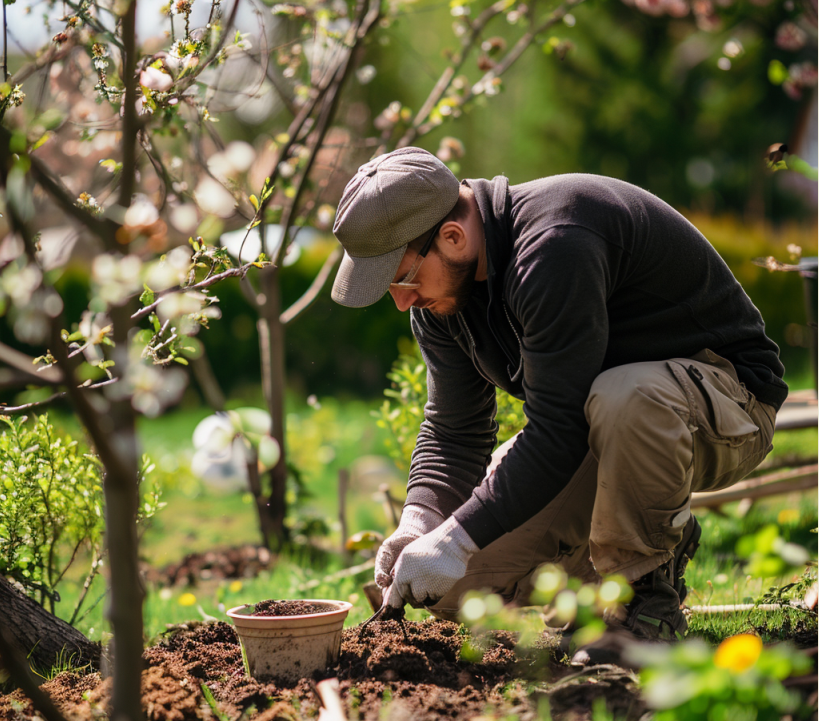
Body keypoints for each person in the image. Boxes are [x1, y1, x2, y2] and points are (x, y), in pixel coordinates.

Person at [330, 147, 786, 664]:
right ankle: (591, 596)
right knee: (459, 587)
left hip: (727, 407)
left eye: (402, 279)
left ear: (452, 238)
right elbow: (454, 430)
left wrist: (455, 538)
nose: (401, 301)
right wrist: (419, 523)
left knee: (625, 395)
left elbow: (558, 428)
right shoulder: (443, 303)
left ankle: (642, 592)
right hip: (601, 425)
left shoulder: (554, 243)